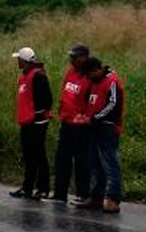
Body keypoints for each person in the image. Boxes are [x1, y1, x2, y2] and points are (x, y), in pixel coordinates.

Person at [75, 58, 125, 213]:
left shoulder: (112, 81)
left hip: (107, 128)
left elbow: (113, 105)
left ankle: (113, 198)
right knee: (94, 164)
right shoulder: (95, 82)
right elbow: (90, 101)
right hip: (94, 128)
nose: (88, 78)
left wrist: (96, 117)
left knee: (110, 164)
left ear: (96, 71)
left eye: (89, 75)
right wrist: (84, 116)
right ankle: (96, 197)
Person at [9, 47, 53, 200]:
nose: (17, 62)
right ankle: (27, 187)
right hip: (26, 122)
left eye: (19, 59)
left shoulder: (38, 76)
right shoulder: (25, 75)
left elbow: (47, 99)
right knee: (29, 156)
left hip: (37, 122)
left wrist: (37, 115)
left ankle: (43, 188)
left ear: (25, 61)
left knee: (39, 155)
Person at [53, 45, 92, 203]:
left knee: (82, 161)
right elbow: (65, 93)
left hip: (82, 126)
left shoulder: (90, 77)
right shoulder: (71, 72)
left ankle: (83, 194)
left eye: (75, 57)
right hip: (67, 123)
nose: (72, 60)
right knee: (62, 159)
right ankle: (59, 194)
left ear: (84, 58)